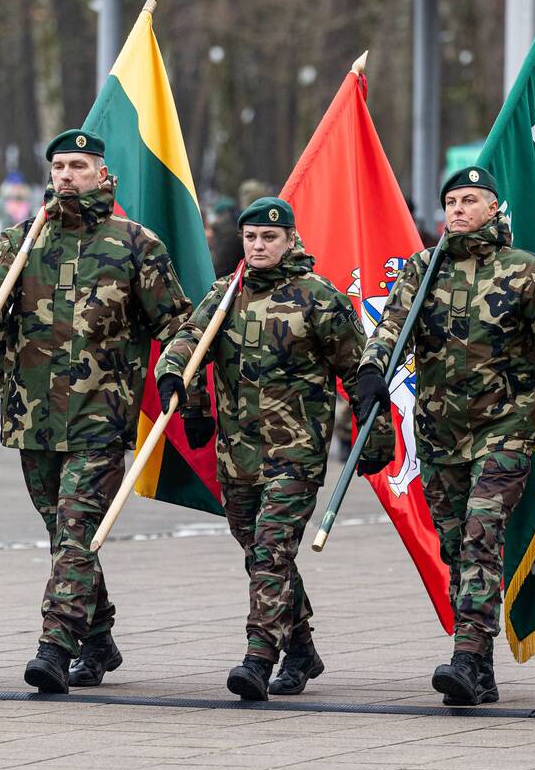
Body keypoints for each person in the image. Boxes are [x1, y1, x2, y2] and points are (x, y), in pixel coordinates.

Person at [0, 129, 195, 694]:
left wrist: (183, 381)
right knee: (65, 536)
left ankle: (55, 645)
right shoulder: (23, 239)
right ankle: (99, 637)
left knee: (77, 531)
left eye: (78, 166)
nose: (66, 176)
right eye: (58, 166)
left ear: (103, 175)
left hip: (99, 417)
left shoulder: (134, 244)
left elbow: (178, 324)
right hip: (31, 415)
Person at [360, 166, 535, 707]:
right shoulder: (424, 269)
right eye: (450, 200)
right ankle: (481, 667)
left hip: (504, 432)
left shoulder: (523, 272)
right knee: (457, 546)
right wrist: (371, 370)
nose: (457, 209)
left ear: (494, 207)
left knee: (481, 533)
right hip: (439, 434)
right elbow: (391, 330)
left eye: (470, 199)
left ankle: (468, 658)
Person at [156, 197, 394, 701]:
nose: (259, 246)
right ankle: (302, 647)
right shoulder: (226, 294)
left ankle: (259, 656)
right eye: (250, 238)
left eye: (269, 238)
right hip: (237, 455)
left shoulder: (318, 297)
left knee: (271, 551)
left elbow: (361, 373)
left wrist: (375, 436)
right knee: (261, 555)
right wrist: (177, 383)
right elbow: (190, 343)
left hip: (295, 454)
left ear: (290, 240)